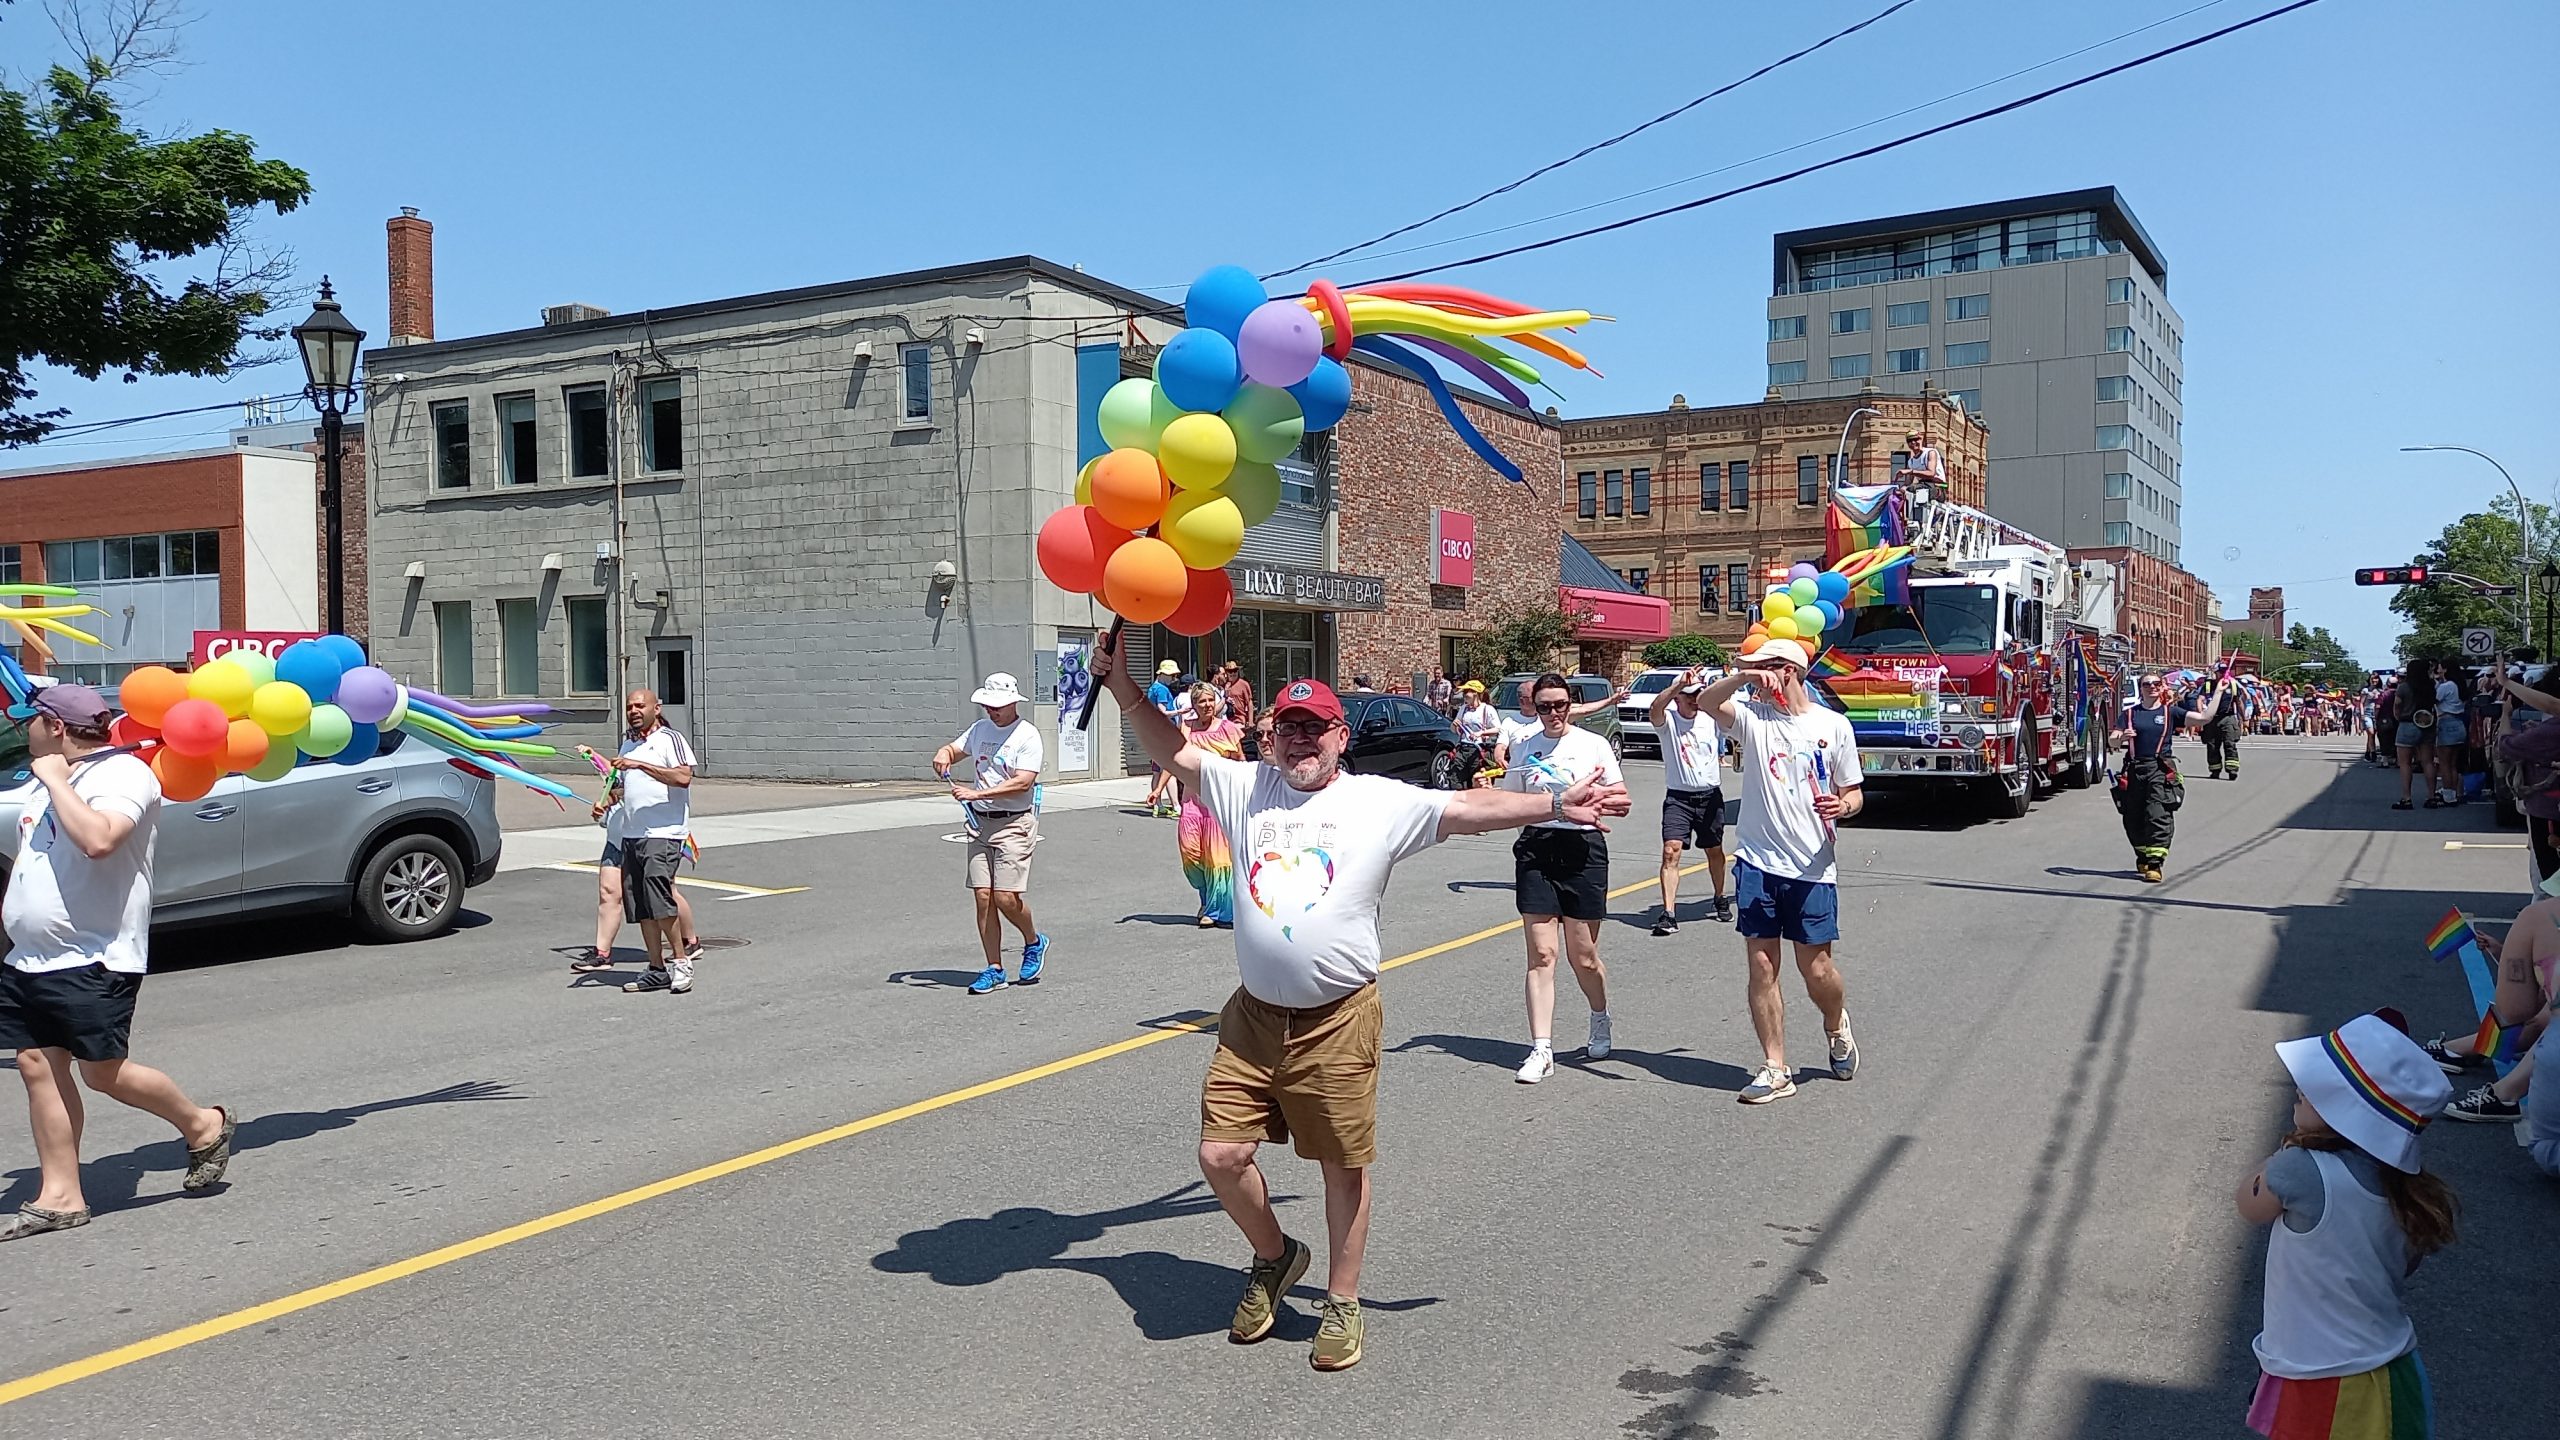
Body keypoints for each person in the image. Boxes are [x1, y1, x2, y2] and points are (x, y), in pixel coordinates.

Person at [1093, 638, 1629, 1372]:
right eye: (1289, 727)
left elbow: (1471, 807)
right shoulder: (1245, 787)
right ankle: (1276, 1256)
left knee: (1340, 1167)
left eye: (1316, 728)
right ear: (1270, 735)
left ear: (1341, 737)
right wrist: (1123, 687)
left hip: (1338, 1018)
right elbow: (1175, 751)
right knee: (1220, 1154)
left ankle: (1342, 1300)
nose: (1301, 740)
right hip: (1252, 1018)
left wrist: (1557, 802)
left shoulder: (1376, 802)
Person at [0, 684, 235, 1239]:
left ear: (56, 727)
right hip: (31, 956)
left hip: (96, 952)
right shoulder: (48, 784)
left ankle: (202, 1124)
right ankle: (61, 1195)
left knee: (102, 1072)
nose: (21, 728)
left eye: (29, 719)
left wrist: (56, 780)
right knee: (36, 1063)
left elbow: (100, 840)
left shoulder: (124, 776)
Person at [2234, 1014, 2455, 1437]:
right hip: (2392, 1368)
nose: (2299, 1087)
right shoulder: (2405, 1189)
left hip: (2323, 1376)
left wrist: (2283, 1151)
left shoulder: (2298, 1169)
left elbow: (2249, 1204)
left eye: (2316, 1086)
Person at [1697, 639, 1864, 1105]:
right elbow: (1708, 702)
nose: (1760, 675)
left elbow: (1854, 792)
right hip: (1757, 861)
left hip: (1811, 866)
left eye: (1767, 667)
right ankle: (1775, 1067)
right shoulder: (1753, 720)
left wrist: (1843, 805)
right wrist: (1744, 675)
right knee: (1762, 963)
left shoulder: (1833, 726)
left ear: (1789, 670)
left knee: (1816, 968)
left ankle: (1835, 1024)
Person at [1502, 672, 1625, 1082]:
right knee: (1542, 955)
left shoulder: (1594, 745)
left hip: (1584, 850)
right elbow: (1509, 801)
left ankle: (1599, 1015)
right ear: (1533, 708)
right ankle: (1541, 1049)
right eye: (1543, 707)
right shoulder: (1525, 746)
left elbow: (1621, 799)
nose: (1552, 713)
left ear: (1570, 704)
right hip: (1537, 848)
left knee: (1583, 956)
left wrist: (1595, 798)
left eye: (1559, 705)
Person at [931, 672, 1050, 996]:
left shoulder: (1027, 735)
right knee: (983, 897)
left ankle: (1033, 941)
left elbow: (1023, 781)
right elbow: (954, 749)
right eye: (987, 705)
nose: (991, 711)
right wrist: (944, 755)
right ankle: (994, 967)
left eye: (997, 706)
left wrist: (977, 794)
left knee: (1005, 898)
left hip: (1014, 822)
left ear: (1013, 702)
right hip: (980, 823)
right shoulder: (980, 729)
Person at [605, 689, 698, 994]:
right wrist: (608, 800)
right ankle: (656, 968)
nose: (633, 710)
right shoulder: (628, 742)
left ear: (656, 708)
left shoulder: (670, 739)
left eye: (640, 705)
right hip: (633, 834)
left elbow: (683, 777)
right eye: (630, 706)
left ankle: (681, 961)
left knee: (660, 895)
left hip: (665, 832)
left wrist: (640, 765)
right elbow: (623, 787)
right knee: (642, 905)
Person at [2113, 670, 2221, 883]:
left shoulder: (2171, 712)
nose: (2152, 687)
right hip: (2135, 770)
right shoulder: (2129, 714)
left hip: (2160, 769)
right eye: (2147, 684)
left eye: (2156, 684)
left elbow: (2204, 718)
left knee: (2158, 814)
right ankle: (2143, 855)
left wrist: (2218, 693)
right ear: (2141, 689)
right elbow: (2113, 740)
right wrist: (2122, 737)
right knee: (2132, 818)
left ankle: (2155, 863)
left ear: (2162, 687)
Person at [1649, 664, 1731, 934]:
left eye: (1698, 694)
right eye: (1689, 694)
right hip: (1679, 798)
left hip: (1709, 797)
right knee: (1670, 850)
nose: (1695, 699)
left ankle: (1719, 898)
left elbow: (1729, 708)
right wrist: (1676, 685)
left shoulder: (1711, 718)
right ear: (1678, 698)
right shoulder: (1668, 721)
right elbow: (1655, 709)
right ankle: (1669, 913)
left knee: (1714, 850)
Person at [1176, 682, 1245, 928]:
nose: (1206, 705)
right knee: (1191, 856)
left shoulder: (1228, 729)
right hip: (1192, 803)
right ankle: (1207, 900)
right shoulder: (1187, 728)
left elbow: (1240, 761)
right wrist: (1158, 788)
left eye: (1209, 700)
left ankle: (1216, 910)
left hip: (1218, 802)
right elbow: (1172, 759)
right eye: (1200, 701)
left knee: (1217, 858)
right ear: (1193, 705)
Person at [2391, 667, 2438, 811]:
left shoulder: (2404, 687)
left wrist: (2398, 717)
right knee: (2428, 762)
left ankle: (2407, 798)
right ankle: (2431, 797)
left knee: (2405, 763)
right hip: (2427, 723)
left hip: (2408, 723)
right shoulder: (2431, 686)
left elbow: (2397, 705)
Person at [1143, 660, 1186, 818]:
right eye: (1170, 675)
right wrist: (1180, 711)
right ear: (1161, 674)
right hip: (1164, 734)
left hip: (1153, 734)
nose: (1173, 679)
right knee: (1169, 771)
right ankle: (1176, 806)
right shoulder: (1161, 690)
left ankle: (1158, 805)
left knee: (1157, 772)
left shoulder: (1152, 688)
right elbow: (1163, 711)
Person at [2202, 662, 2246, 781]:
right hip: (2211, 719)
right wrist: (2201, 715)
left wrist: (2244, 718)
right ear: (2215, 673)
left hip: (2228, 717)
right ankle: (2215, 770)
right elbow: (2200, 700)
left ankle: (2232, 769)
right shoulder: (2207, 685)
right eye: (2220, 672)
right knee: (2212, 745)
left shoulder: (2232, 685)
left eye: (2224, 671)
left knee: (2229, 743)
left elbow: (2239, 701)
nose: (2222, 674)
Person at [1892, 429, 1945, 498]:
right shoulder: (1911, 462)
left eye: (1916, 439)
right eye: (1910, 441)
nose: (1913, 442)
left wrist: (1910, 471)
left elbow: (1931, 473)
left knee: (1912, 489)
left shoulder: (1930, 453)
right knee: (1902, 493)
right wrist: (1900, 489)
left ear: (1921, 439)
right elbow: (1908, 483)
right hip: (1922, 486)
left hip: (1937, 486)